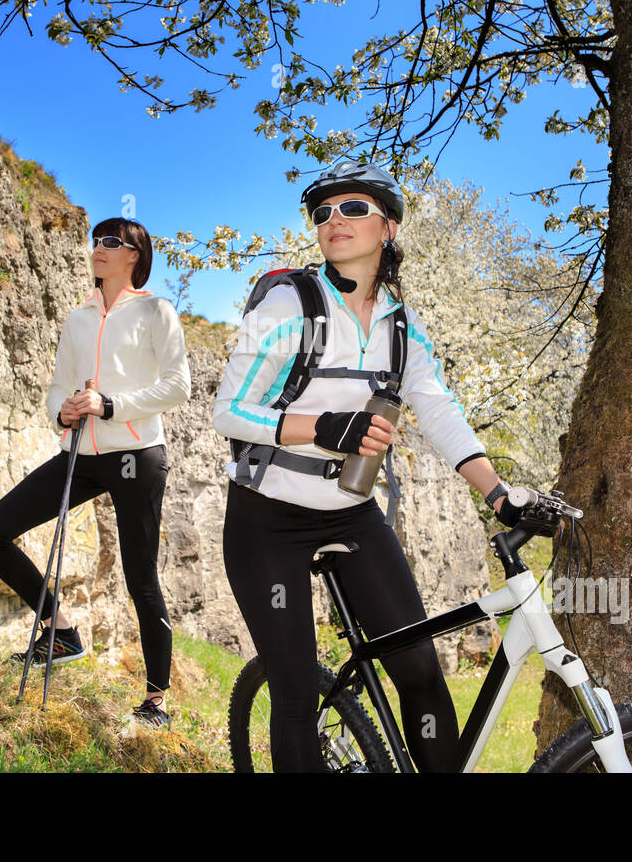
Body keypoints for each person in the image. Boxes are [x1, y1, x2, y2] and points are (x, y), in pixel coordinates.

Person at [212, 159, 528, 771]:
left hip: (352, 514)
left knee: (421, 675)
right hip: (266, 519)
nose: (335, 220)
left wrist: (498, 493)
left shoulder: (402, 328)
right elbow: (228, 412)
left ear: (387, 228)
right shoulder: (288, 305)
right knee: (297, 692)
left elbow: (440, 412)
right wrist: (324, 427)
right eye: (323, 212)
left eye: (353, 208)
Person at [0, 217, 191, 729]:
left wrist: (110, 404)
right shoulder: (78, 318)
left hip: (138, 455)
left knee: (141, 577)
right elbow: (57, 385)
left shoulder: (156, 310)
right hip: (80, 454)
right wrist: (62, 411)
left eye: (110, 241)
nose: (98, 248)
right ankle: (60, 631)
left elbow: (178, 386)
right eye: (96, 239)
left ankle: (156, 702)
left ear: (134, 254)